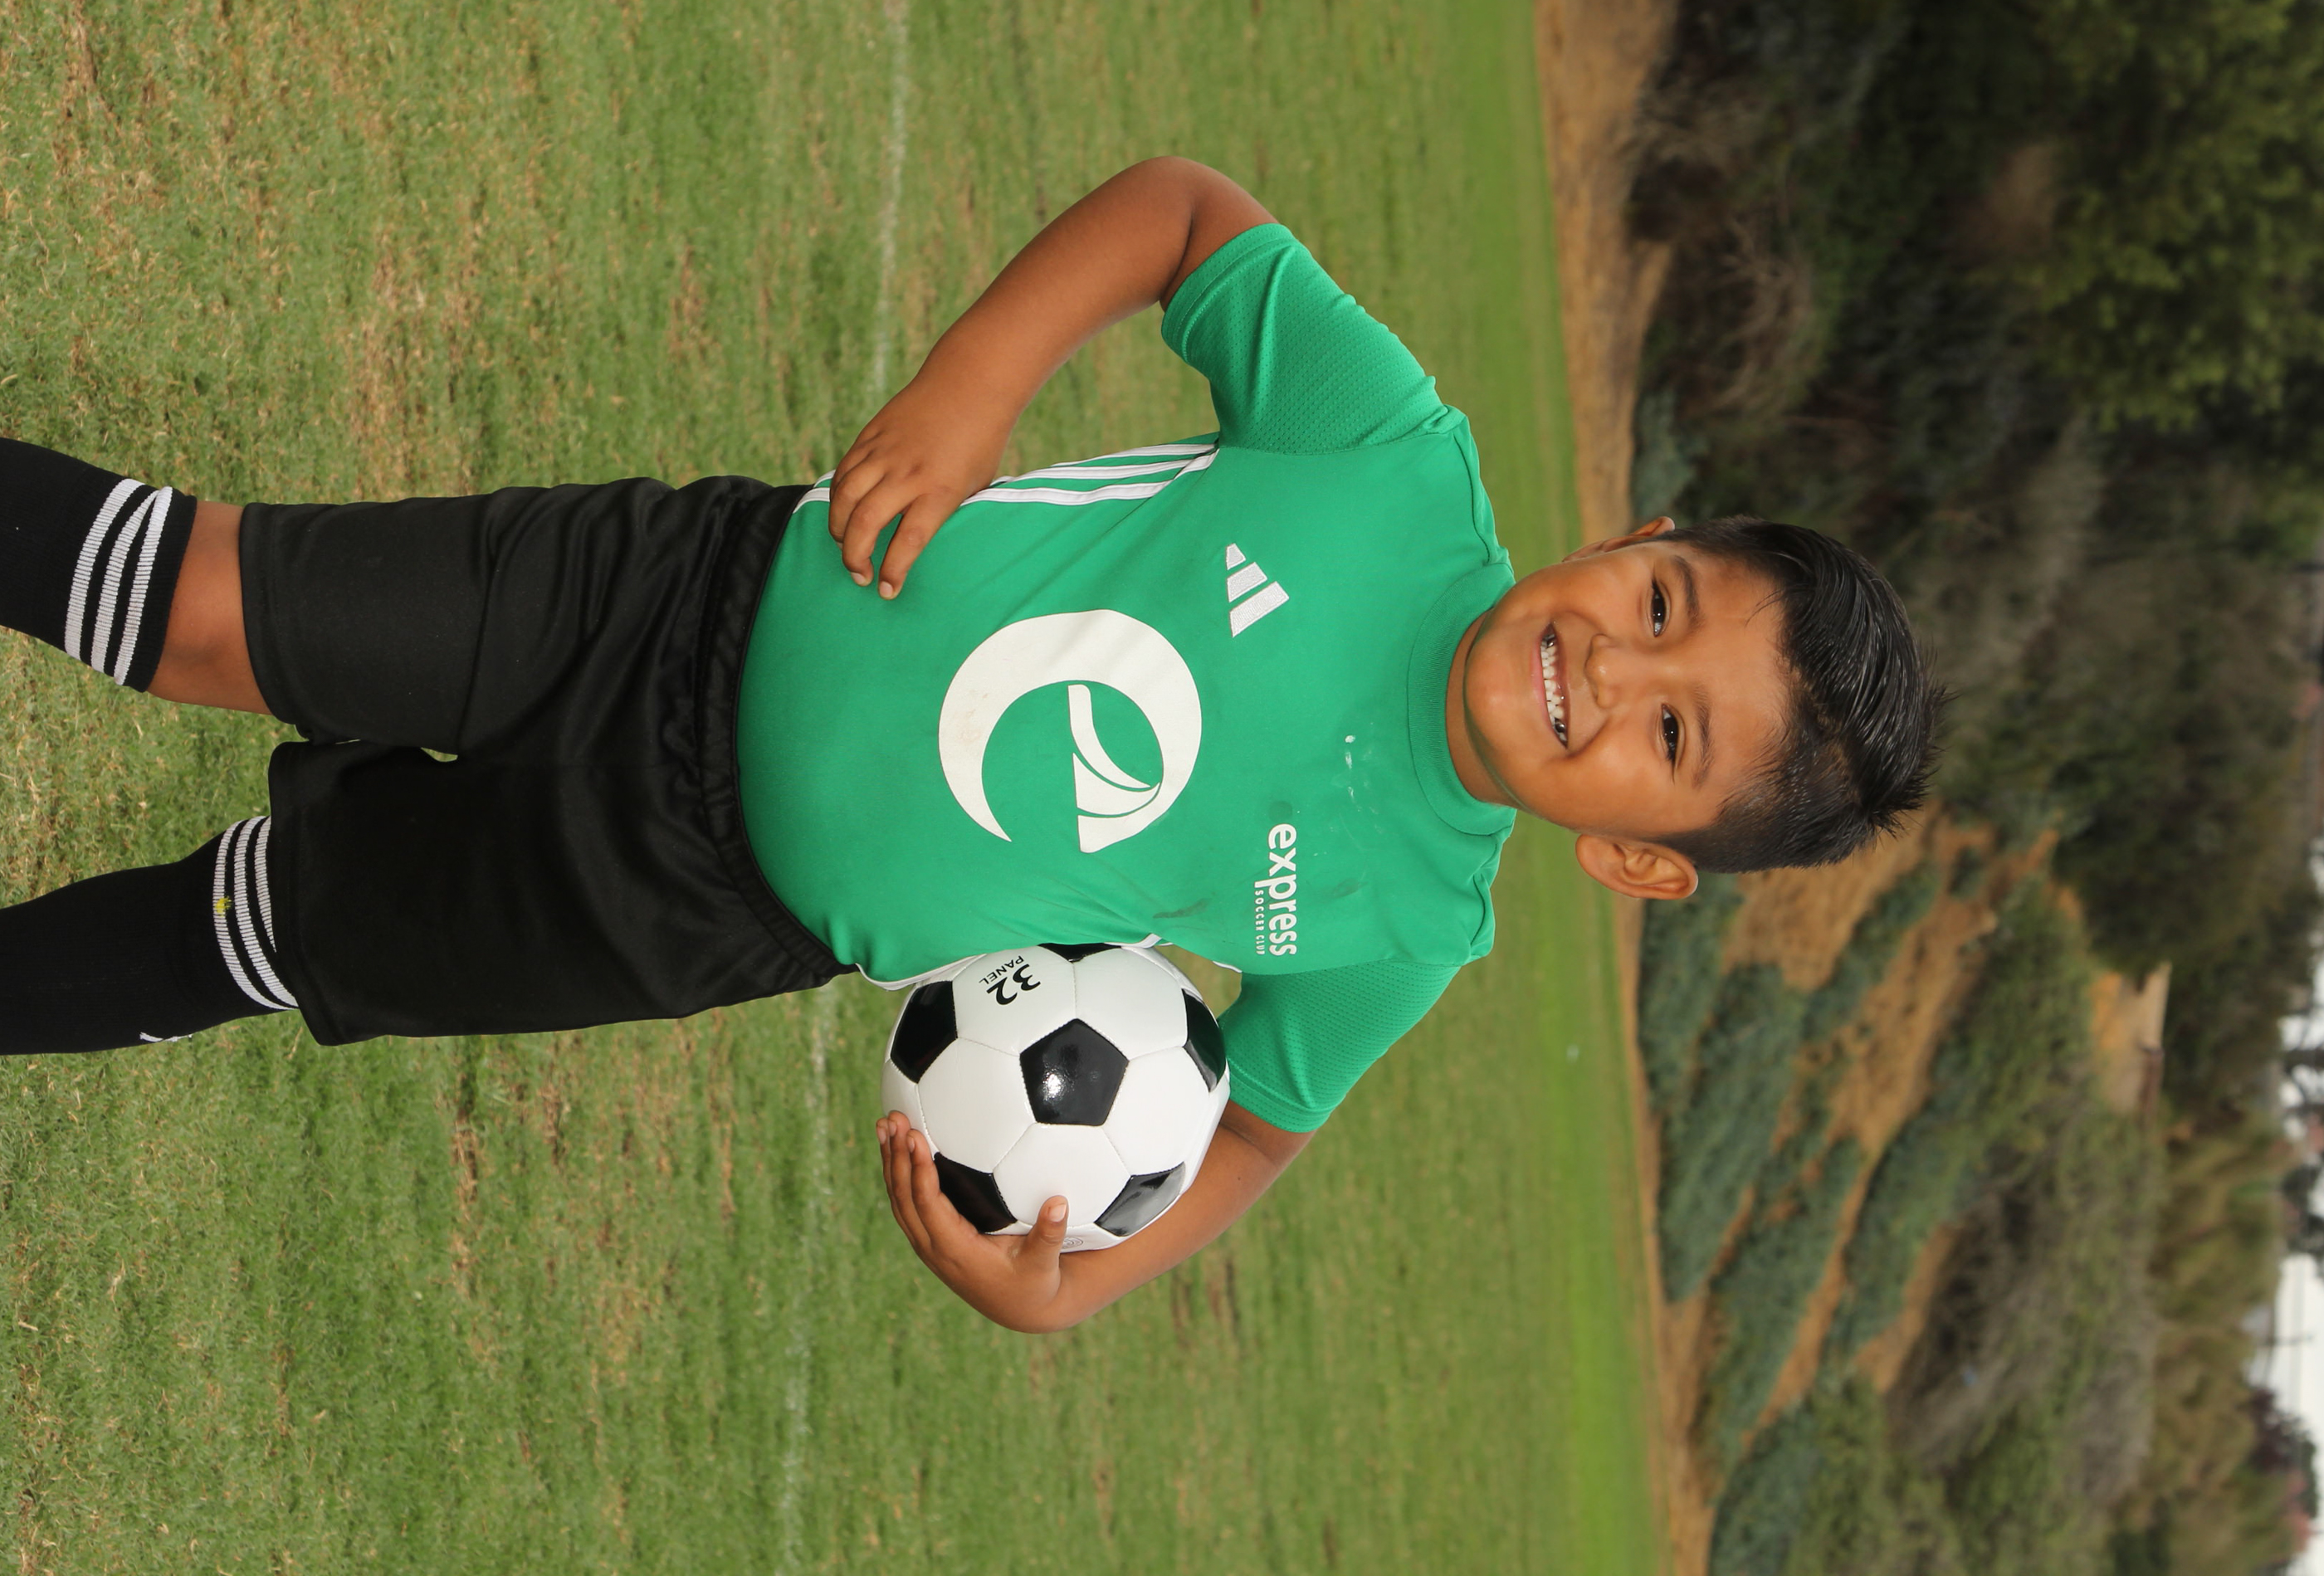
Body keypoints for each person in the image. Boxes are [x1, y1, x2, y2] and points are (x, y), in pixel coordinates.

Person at [0, 158, 1938, 1331]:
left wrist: (1073, 1276)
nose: (1607, 661)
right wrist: (973, 384)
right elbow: (1185, 214)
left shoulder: (1408, 925)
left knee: (270, 931)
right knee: (202, 610)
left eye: (1666, 733)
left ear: (1637, 857)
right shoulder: (1392, 460)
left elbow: (1256, 1127)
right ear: (1642, 536)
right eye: (1659, 601)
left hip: (697, 910)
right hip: (678, 596)